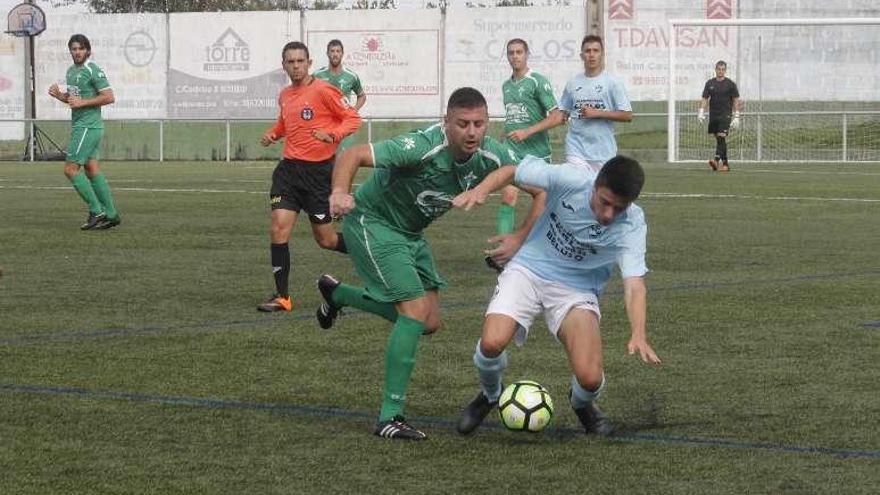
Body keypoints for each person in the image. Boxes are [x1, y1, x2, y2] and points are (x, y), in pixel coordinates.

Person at [314, 87, 544, 440]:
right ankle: (390, 416)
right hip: (373, 222)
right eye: (462, 124)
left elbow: (540, 188)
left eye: (479, 124)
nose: (471, 132)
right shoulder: (422, 146)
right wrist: (339, 193)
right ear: (446, 122)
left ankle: (338, 295)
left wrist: (520, 236)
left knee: (429, 322)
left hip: (411, 233)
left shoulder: (493, 154)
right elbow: (352, 153)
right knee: (413, 312)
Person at [457, 155, 661, 438]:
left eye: (619, 208)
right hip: (528, 268)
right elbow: (511, 171)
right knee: (492, 342)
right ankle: (490, 394)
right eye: (604, 202)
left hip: (577, 290)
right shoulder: (571, 180)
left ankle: (582, 404)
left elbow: (635, 285)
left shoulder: (632, 226)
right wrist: (480, 190)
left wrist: (638, 333)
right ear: (595, 185)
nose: (608, 215)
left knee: (590, 378)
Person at [256, 41, 361, 313]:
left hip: (318, 174)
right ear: (284, 65)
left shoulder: (324, 90)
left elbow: (352, 119)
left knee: (325, 240)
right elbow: (285, 123)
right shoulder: (285, 95)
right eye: (290, 62)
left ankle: (372, 250)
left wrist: (333, 135)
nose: (296, 66)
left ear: (309, 62)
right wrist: (274, 134)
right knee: (278, 227)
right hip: (289, 172)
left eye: (300, 61)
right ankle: (282, 297)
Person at [492, 38, 565, 271]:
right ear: (507, 56)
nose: (515, 56)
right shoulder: (506, 86)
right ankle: (502, 255)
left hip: (537, 155)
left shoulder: (537, 81)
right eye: (511, 52)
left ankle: (546, 250)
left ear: (527, 54)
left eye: (519, 52)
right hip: (513, 153)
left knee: (543, 202)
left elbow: (557, 116)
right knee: (508, 196)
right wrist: (506, 136)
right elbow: (514, 118)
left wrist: (528, 131)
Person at [48, 34, 120, 230]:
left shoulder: (92, 69)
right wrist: (59, 95)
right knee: (91, 169)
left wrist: (83, 102)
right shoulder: (71, 71)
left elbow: (109, 97)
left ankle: (97, 211)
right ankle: (111, 214)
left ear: (87, 50)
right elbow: (74, 101)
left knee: (70, 170)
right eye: (73, 49)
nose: (77, 52)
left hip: (88, 126)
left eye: (80, 48)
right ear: (70, 51)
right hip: (84, 125)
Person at [559, 35, 633, 174]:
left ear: (602, 54)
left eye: (595, 50)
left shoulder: (612, 83)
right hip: (576, 149)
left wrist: (597, 113)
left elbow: (627, 115)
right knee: (577, 189)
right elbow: (563, 111)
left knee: (598, 193)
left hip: (603, 152)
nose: (591, 55)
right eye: (587, 51)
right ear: (582, 55)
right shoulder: (573, 83)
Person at [313, 40, 366, 157]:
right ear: (327, 54)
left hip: (344, 125)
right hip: (324, 125)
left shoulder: (351, 76)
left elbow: (361, 96)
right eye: (332, 51)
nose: (335, 54)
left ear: (342, 54)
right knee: (323, 163)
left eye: (338, 51)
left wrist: (353, 110)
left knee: (343, 161)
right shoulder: (317, 75)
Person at [699, 60, 742, 172]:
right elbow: (705, 98)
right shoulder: (709, 83)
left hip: (725, 114)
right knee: (719, 140)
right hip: (713, 115)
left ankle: (716, 161)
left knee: (722, 136)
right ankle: (726, 165)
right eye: (719, 69)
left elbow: (736, 99)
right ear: (716, 70)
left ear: (725, 70)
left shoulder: (731, 84)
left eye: (723, 69)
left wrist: (737, 115)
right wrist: (701, 111)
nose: (721, 71)